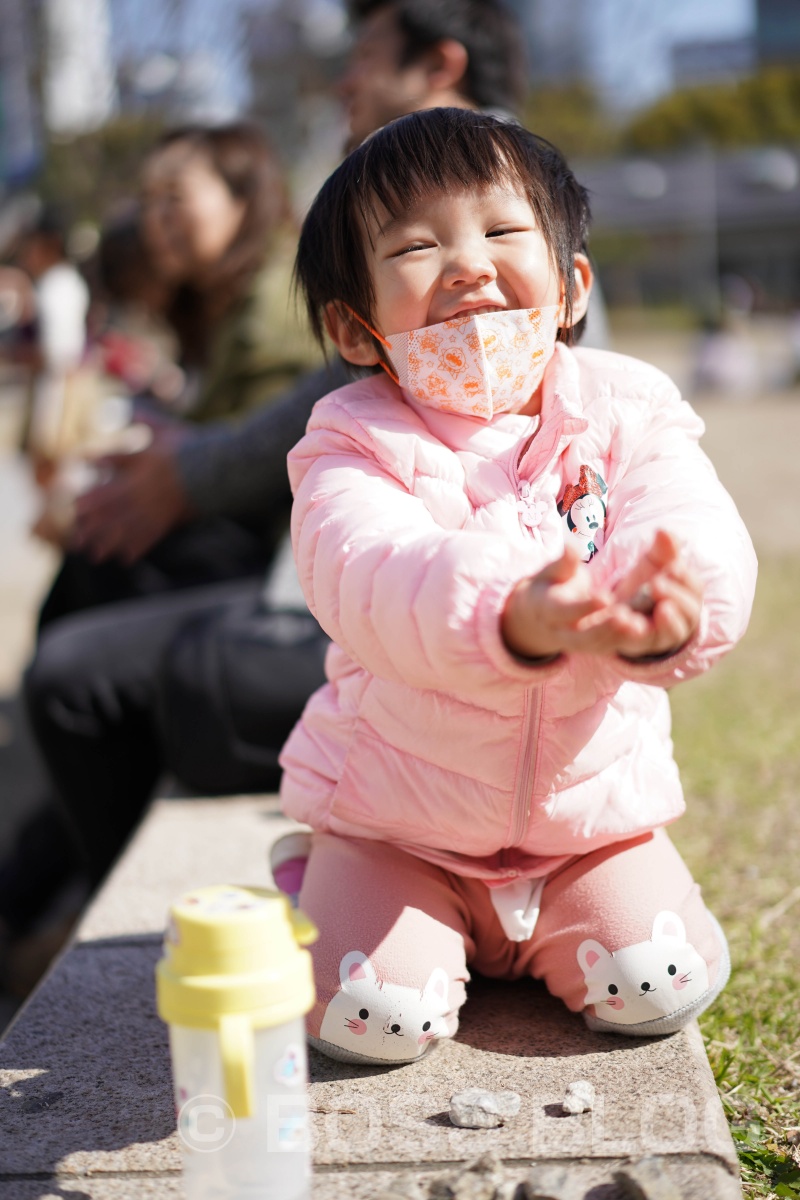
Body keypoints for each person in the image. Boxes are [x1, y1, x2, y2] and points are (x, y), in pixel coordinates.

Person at [271, 108, 757, 1064]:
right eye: (415, 246)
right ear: (355, 327)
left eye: (501, 231)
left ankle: (557, 925)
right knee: (372, 1020)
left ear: (573, 284)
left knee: (660, 987)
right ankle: (325, 875)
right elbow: (367, 572)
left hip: (589, 826)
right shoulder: (351, 442)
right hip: (398, 827)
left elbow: (690, 522)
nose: (466, 265)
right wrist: (510, 613)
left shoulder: (628, 408)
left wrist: (670, 606)